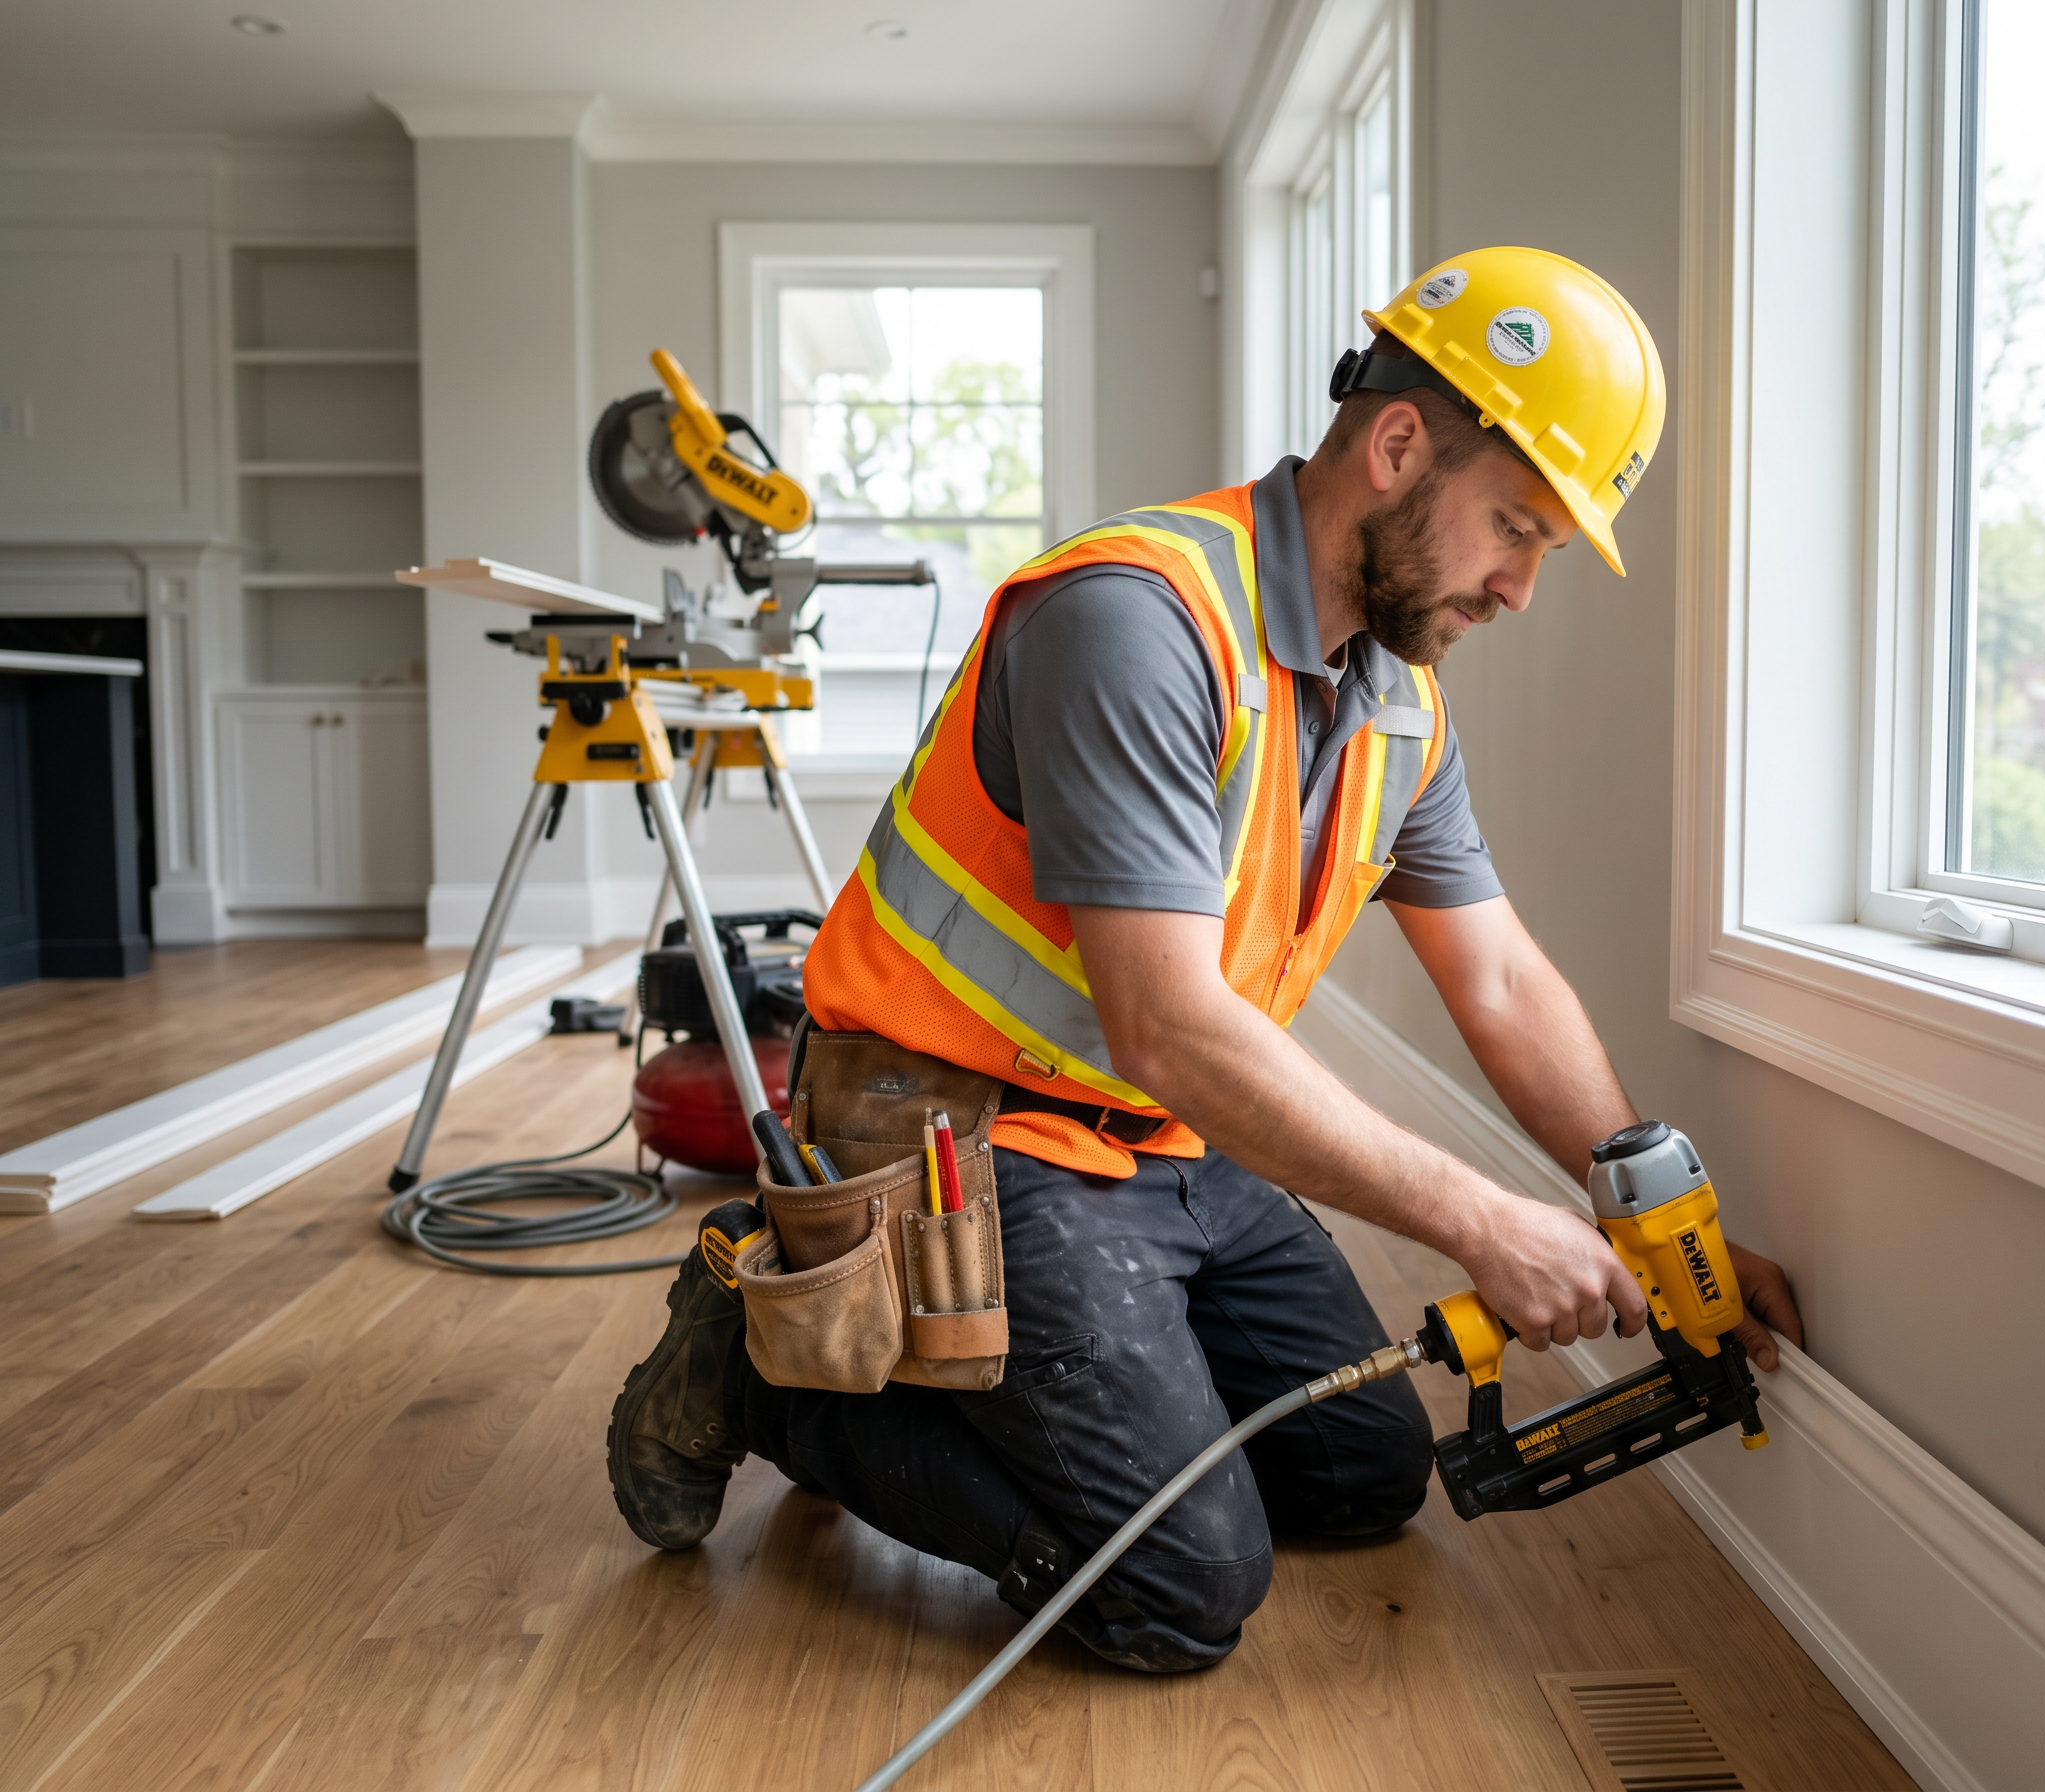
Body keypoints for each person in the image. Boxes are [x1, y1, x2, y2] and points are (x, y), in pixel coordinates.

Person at [606, 246, 1805, 1673]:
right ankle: (774, 1367)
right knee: (1178, 1591)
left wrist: (1639, 1207)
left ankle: (1032, 1379)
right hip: (963, 1130)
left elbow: (1497, 978)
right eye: (1517, 528)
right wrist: (1483, 1222)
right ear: (1401, 443)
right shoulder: (1139, 620)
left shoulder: (1396, 702)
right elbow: (1171, 1022)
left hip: (1166, 1140)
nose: (1523, 587)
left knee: (1364, 1476)